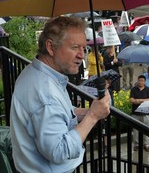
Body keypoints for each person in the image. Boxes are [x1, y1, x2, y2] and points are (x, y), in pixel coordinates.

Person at [9, 17, 111, 173]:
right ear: (50, 47)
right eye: (75, 47)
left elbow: (56, 112)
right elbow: (59, 151)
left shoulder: (39, 73)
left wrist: (87, 112)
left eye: (84, 48)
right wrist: (93, 117)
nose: (81, 55)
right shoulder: (45, 92)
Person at [130, 75, 149, 151]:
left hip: (146, 113)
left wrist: (138, 100)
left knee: (146, 129)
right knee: (135, 130)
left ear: (145, 82)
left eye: (142, 80)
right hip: (135, 113)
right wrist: (143, 100)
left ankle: (146, 144)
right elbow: (132, 100)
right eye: (140, 80)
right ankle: (136, 144)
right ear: (137, 80)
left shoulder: (148, 89)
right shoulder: (133, 89)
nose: (141, 82)